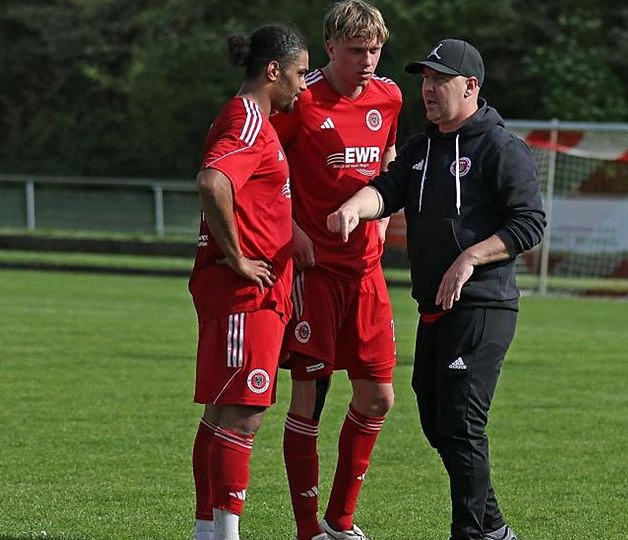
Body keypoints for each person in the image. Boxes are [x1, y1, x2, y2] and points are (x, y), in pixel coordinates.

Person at [327, 39, 547, 540]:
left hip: (483, 306)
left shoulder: (499, 147)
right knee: (436, 421)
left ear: (471, 86)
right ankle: (492, 529)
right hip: (434, 309)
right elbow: (386, 189)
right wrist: (352, 208)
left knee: (462, 423)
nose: (428, 89)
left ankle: (471, 534)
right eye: (424, 79)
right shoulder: (421, 147)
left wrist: (471, 256)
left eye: (439, 79)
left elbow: (530, 223)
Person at [269, 2, 401, 539]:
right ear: (330, 48)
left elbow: (389, 156)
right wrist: (291, 230)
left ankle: (341, 521)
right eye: (356, 51)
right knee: (310, 396)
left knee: (378, 397)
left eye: (375, 49)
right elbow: (262, 167)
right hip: (315, 272)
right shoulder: (300, 101)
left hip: (367, 272)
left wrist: (385, 212)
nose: (368, 60)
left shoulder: (389, 96)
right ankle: (309, 530)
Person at [187, 24, 309, 540]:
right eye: (300, 73)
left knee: (221, 412)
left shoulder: (247, 117)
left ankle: (206, 531)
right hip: (245, 294)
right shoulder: (250, 121)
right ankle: (226, 533)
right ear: (273, 71)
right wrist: (238, 258)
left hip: (253, 293)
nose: (304, 85)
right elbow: (213, 183)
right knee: (244, 414)